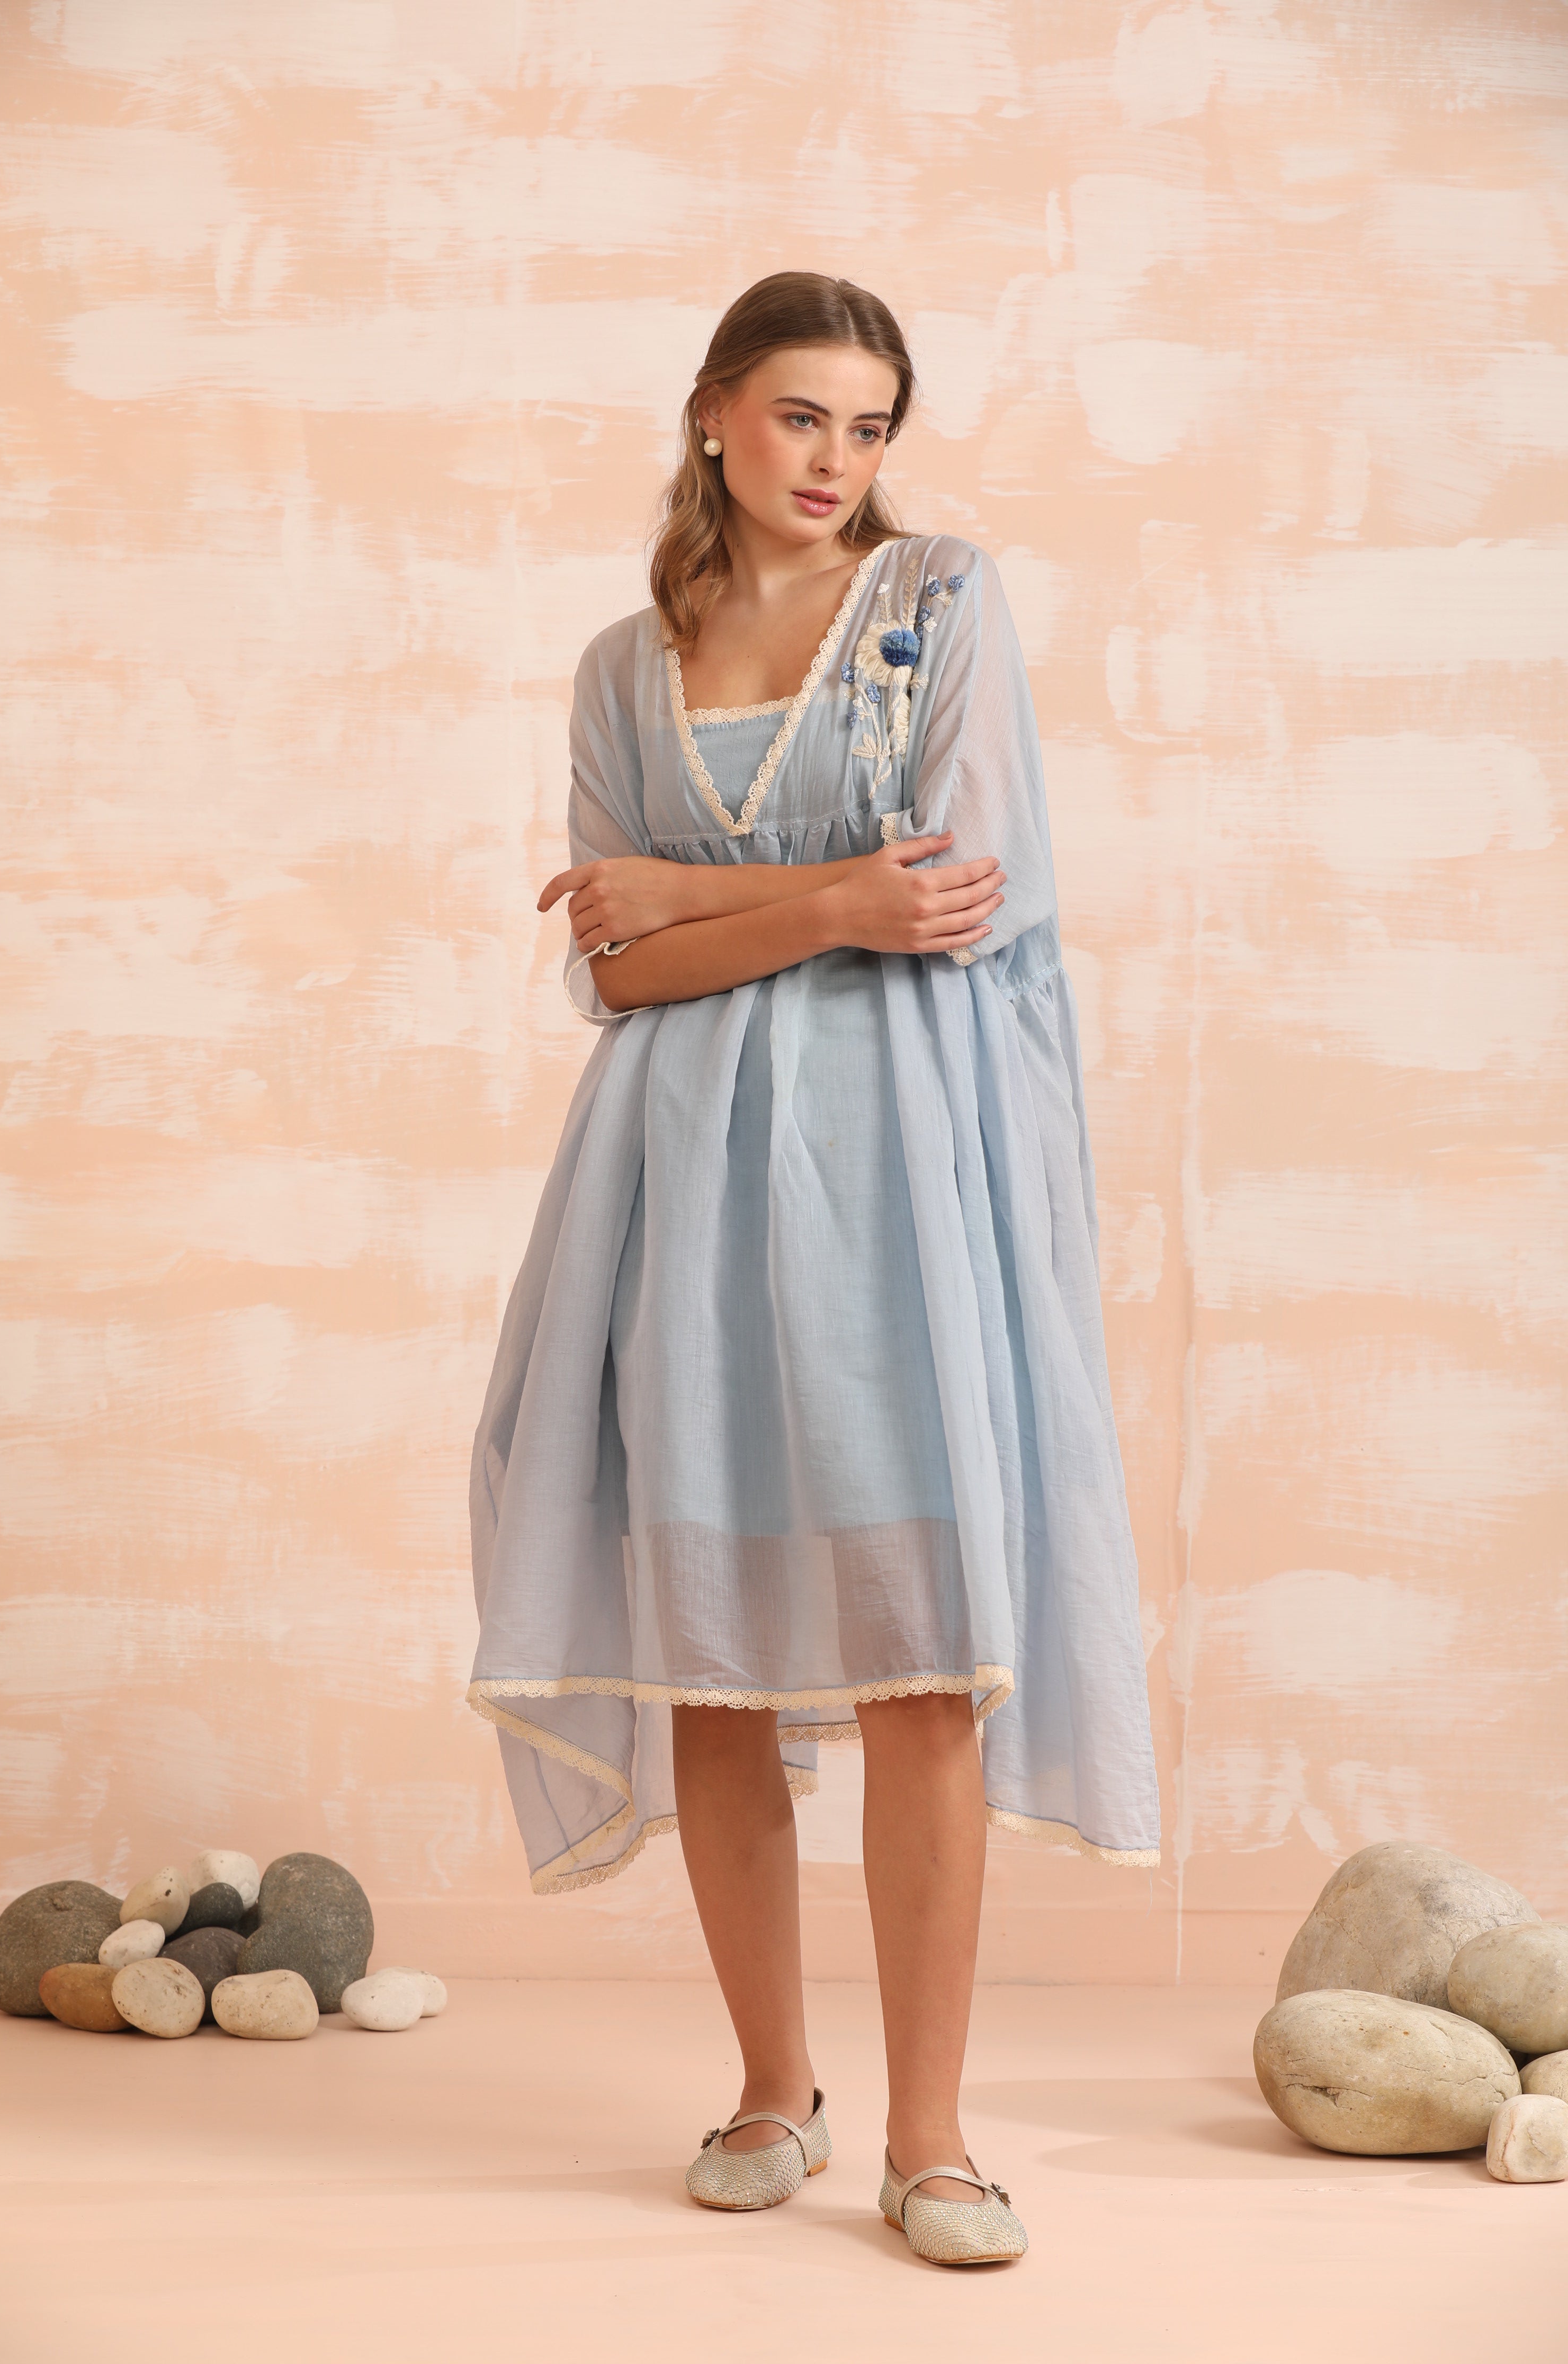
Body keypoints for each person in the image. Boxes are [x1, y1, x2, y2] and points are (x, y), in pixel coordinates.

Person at [468, 271, 1160, 2267]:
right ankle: (774, 2082)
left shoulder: (941, 602)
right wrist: (816, 899)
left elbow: (950, 899)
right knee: (713, 1661)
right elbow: (619, 976)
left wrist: (717, 893)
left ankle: (930, 2137)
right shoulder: (625, 666)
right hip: (678, 1185)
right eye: (800, 417)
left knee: (924, 1657)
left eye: (868, 427)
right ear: (713, 413)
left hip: (894, 1179)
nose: (835, 461)